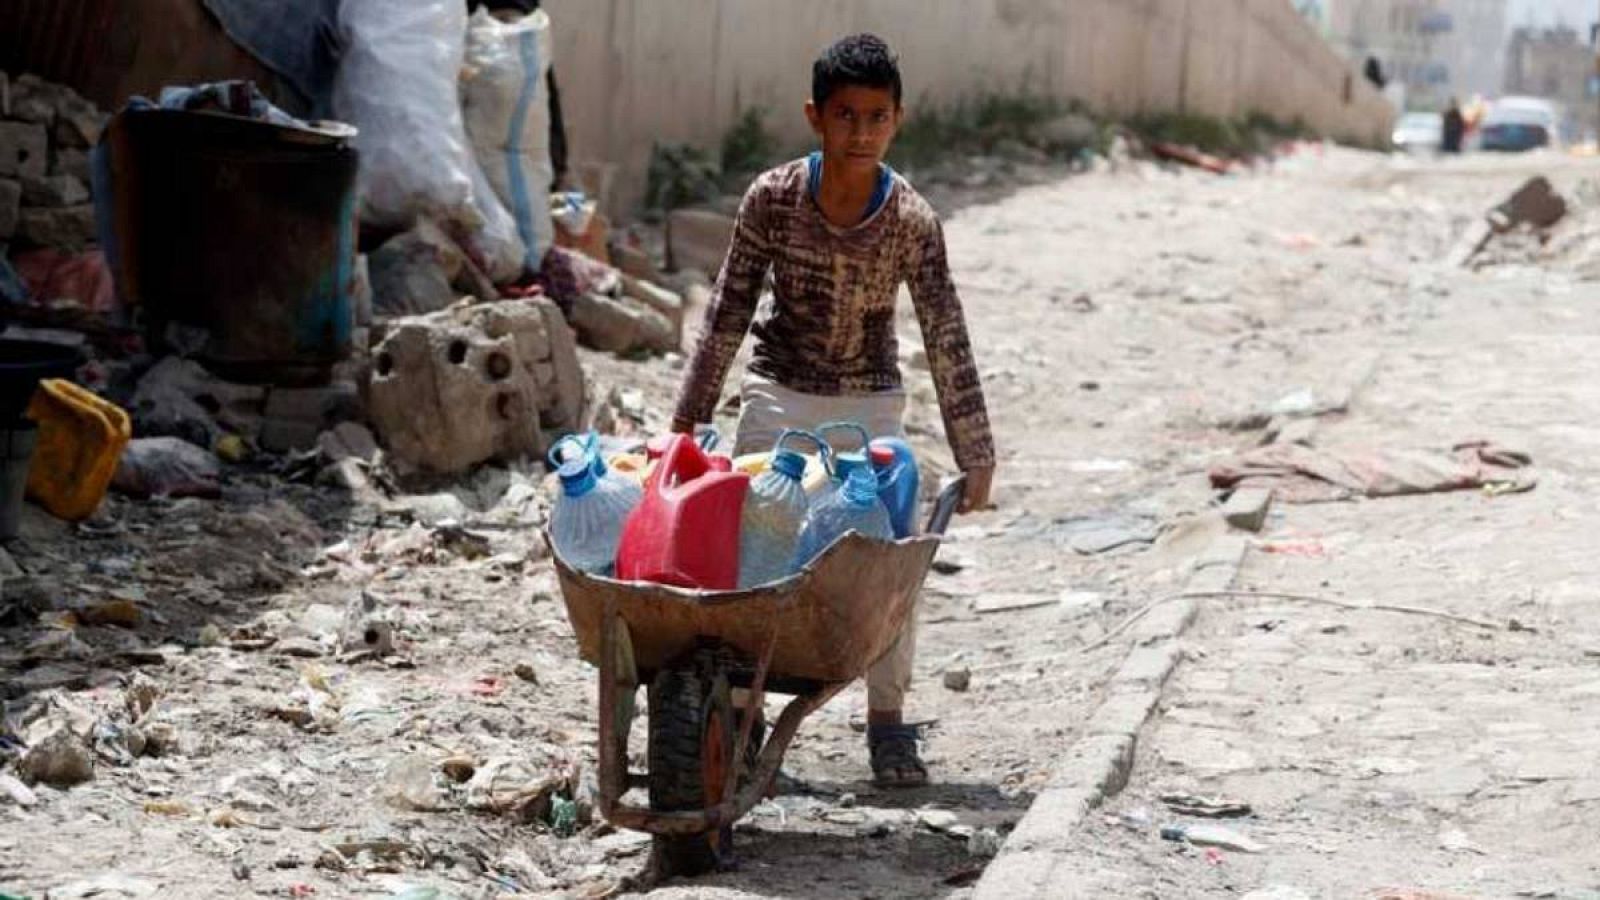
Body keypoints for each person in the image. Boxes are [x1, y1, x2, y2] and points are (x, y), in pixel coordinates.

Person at [670, 34, 996, 787]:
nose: (861, 133)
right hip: (778, 394)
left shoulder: (912, 220)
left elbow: (946, 333)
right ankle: (740, 724)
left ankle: (887, 726)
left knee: (890, 567)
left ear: (898, 120)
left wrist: (975, 450)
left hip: (872, 405)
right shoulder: (773, 198)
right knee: (752, 561)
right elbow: (725, 312)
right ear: (816, 116)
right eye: (845, 116)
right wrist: (684, 425)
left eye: (876, 117)